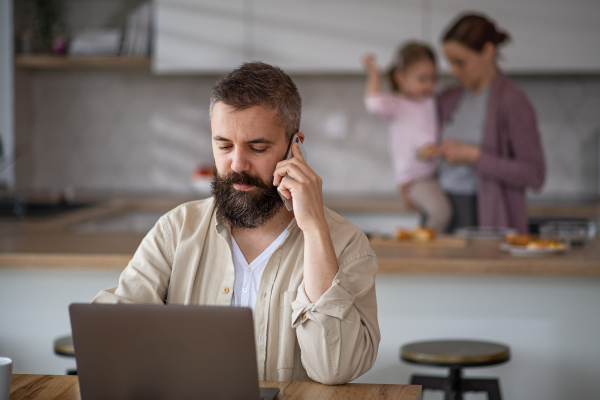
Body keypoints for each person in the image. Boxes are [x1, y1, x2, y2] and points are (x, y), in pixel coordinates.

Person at [92, 62, 380, 385]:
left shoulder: (347, 245)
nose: (237, 164)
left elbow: (335, 368)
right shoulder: (176, 230)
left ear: (294, 147)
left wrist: (314, 230)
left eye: (258, 148)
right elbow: (111, 332)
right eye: (224, 146)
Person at [424, 14, 545, 233]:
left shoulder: (513, 102)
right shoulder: (448, 98)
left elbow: (534, 174)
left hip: (484, 215)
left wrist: (475, 157)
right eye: (450, 62)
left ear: (488, 52)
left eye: (460, 62)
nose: (453, 70)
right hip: (441, 210)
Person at [362, 43, 452, 233]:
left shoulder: (429, 101)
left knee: (437, 213)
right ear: (401, 78)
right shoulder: (396, 104)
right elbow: (373, 103)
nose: (429, 85)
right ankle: (425, 251)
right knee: (441, 213)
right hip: (414, 179)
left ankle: (424, 245)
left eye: (433, 78)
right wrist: (374, 72)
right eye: (422, 79)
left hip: (432, 174)